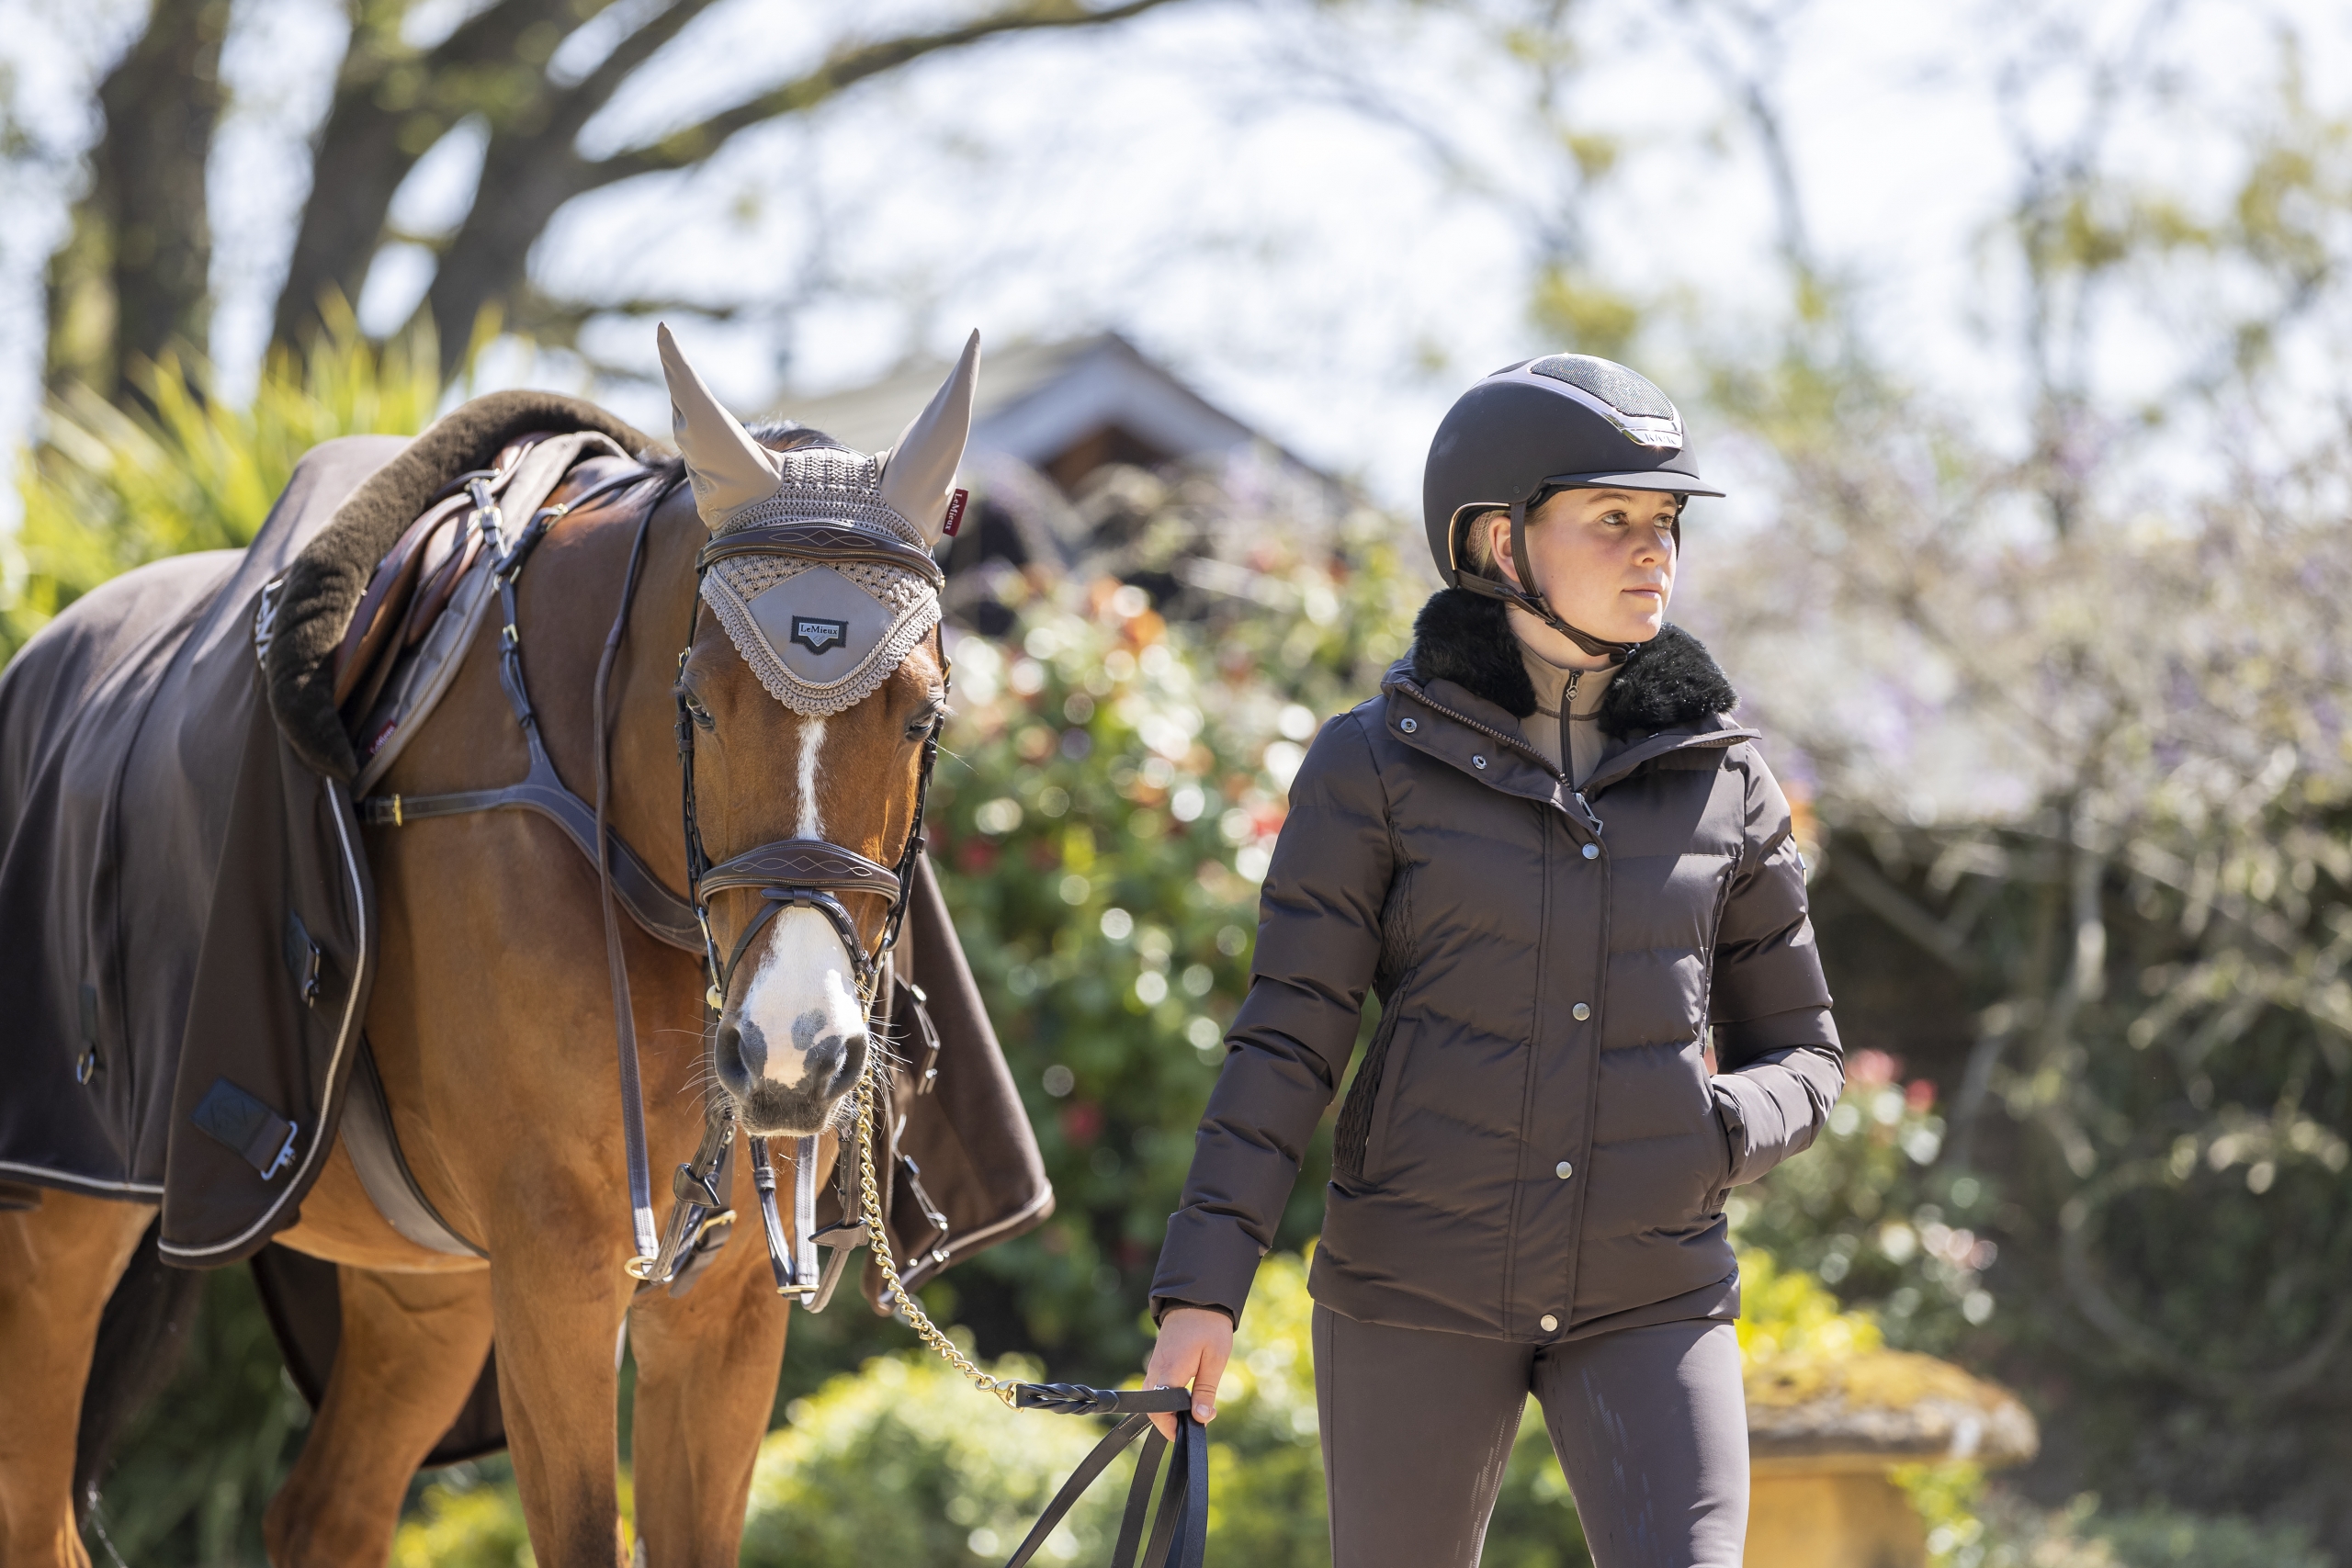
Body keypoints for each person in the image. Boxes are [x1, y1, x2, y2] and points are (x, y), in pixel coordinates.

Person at [1143, 355, 1845, 1568]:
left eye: (1666, 522)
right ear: (1495, 540)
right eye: (1612, 518)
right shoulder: (1369, 768)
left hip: (1652, 1292)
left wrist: (1721, 1130)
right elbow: (1288, 1037)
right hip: (1414, 1295)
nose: (1653, 552)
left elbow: (1808, 1054)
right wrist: (1202, 1291)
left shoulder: (1727, 777)